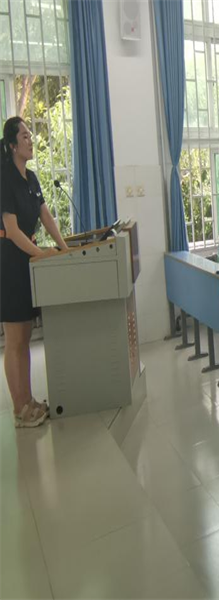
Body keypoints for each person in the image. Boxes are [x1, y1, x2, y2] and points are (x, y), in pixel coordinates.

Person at [1, 117, 68, 428]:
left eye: (30, 135)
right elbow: (12, 230)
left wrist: (64, 248)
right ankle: (19, 409)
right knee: (14, 339)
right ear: (12, 145)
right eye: (25, 136)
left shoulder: (32, 178)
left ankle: (28, 400)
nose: (31, 140)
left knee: (25, 336)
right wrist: (42, 254)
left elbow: (46, 216)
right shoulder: (4, 177)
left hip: (27, 258)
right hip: (9, 260)